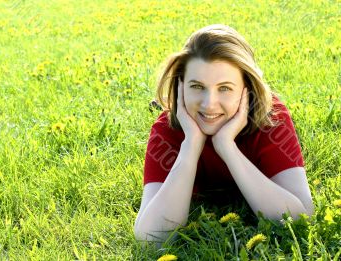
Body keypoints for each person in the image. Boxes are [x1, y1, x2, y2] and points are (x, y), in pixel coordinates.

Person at [133, 24, 314, 244]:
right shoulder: (167, 130)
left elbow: (301, 218)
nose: (209, 105)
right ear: (180, 86)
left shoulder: (271, 118)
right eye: (197, 86)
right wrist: (191, 145)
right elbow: (150, 238)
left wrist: (227, 147)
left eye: (225, 88)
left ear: (246, 89)